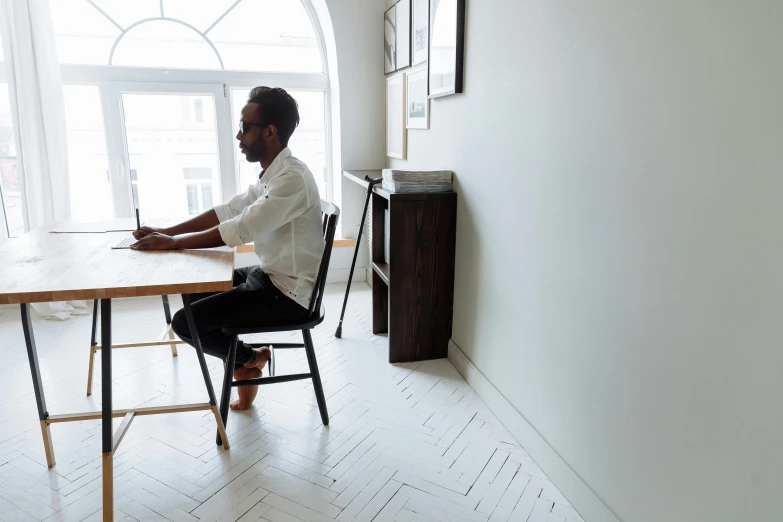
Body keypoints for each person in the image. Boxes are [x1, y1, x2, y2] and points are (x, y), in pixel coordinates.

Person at [131, 86, 325, 410]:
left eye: (245, 127)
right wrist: (168, 232)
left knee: (184, 322)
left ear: (270, 131)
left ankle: (250, 360)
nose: (238, 135)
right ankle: (248, 363)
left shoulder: (291, 179)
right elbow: (230, 211)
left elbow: (239, 230)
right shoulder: (275, 173)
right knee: (195, 291)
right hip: (272, 275)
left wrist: (174, 244)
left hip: (289, 294)